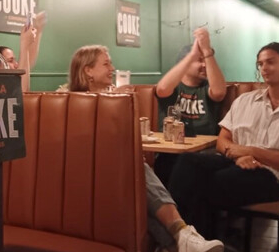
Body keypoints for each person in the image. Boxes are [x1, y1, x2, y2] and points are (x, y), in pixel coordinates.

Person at [67, 45, 224, 252]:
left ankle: (176, 242)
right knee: (138, 170)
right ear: (88, 71)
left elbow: (119, 140)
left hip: (112, 170)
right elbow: (83, 143)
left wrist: (118, 105)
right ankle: (181, 234)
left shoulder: (112, 98)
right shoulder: (70, 100)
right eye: (106, 64)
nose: (112, 68)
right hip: (82, 171)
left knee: (138, 184)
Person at [167, 42, 279, 239]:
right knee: (186, 161)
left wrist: (254, 152)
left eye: (270, 62)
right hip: (233, 163)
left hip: (272, 178)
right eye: (260, 64)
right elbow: (222, 141)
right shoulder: (245, 101)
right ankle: (192, 240)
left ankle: (184, 239)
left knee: (204, 183)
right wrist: (236, 156)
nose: (263, 68)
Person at [153, 27, 226, 184]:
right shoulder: (174, 88)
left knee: (189, 165)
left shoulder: (208, 87)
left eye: (205, 60)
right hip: (170, 152)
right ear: (184, 63)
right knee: (165, 163)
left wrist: (207, 52)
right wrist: (193, 54)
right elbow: (162, 89)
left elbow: (219, 92)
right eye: (200, 61)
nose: (205, 65)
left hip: (203, 152)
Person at [0, 11, 46, 92]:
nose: (16, 64)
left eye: (14, 60)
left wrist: (38, 29)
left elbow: (28, 63)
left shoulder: (12, 77)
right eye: (10, 61)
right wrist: (24, 43)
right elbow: (22, 93)